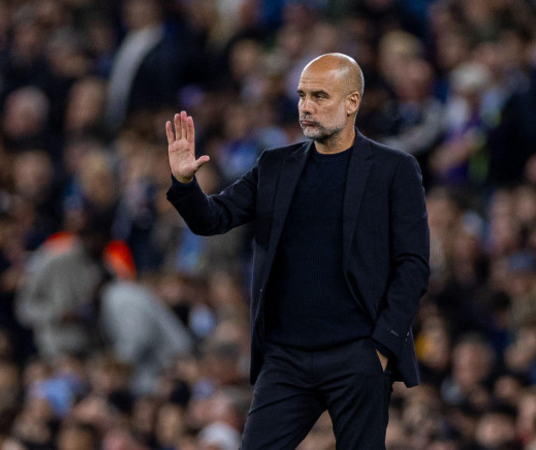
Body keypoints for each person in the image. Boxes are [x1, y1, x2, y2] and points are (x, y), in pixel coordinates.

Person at [165, 53, 429, 449]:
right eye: (303, 95)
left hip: (357, 356)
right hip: (286, 359)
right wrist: (185, 184)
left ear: (352, 102)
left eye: (320, 96)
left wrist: (380, 348)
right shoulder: (275, 165)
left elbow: (413, 264)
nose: (307, 106)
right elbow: (213, 219)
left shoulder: (394, 169)